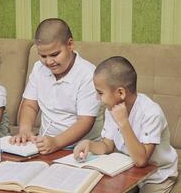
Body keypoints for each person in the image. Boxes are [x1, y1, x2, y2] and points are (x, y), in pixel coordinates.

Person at [74, 56, 178, 192]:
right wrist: (90, 145)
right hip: (128, 171)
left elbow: (141, 160)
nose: (97, 98)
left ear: (121, 93)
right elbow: (107, 146)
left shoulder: (151, 113)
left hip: (157, 175)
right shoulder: (111, 108)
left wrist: (123, 122)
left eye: (100, 93)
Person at [10, 18, 102, 154]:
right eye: (43, 56)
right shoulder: (38, 68)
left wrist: (56, 143)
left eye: (54, 54)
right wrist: (25, 130)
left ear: (70, 45)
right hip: (44, 145)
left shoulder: (88, 74)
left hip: (80, 148)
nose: (49, 62)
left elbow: (85, 121)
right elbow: (29, 105)